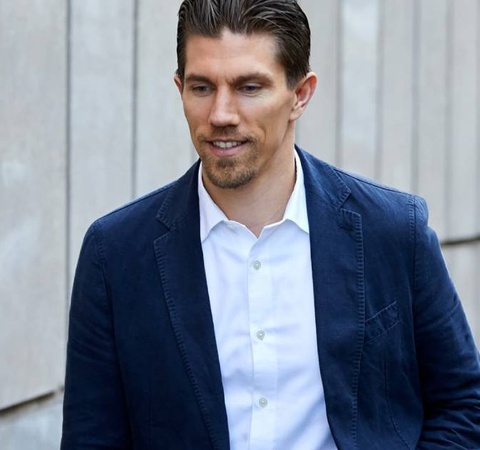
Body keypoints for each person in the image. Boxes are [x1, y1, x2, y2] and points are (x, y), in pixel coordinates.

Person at [61, 0, 480, 448]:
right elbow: (92, 437)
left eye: (249, 87)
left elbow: (463, 403)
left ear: (300, 94)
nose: (221, 114)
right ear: (180, 88)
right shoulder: (117, 253)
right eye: (202, 87)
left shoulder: (393, 231)